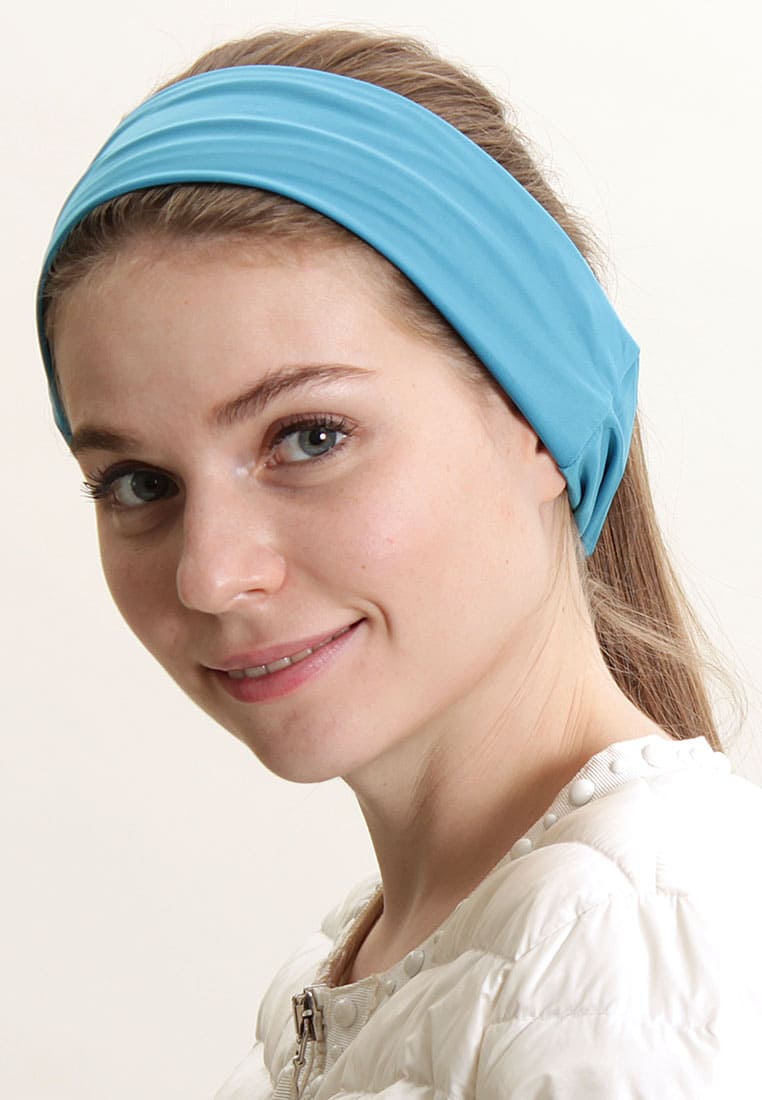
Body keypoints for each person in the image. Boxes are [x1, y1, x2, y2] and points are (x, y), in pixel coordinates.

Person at [36, 27, 762, 1100]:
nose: (210, 575)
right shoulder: (401, 949)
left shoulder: (623, 979)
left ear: (539, 411)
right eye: (139, 483)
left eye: (310, 436)